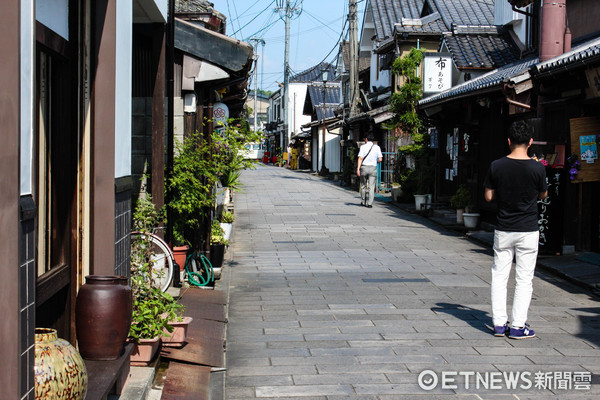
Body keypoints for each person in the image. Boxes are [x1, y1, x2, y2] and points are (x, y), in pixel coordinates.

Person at [484, 120, 548, 339]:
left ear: (509, 141)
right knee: (524, 279)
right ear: (530, 142)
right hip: (528, 229)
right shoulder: (537, 167)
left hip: (504, 227)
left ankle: (500, 324)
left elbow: (489, 196)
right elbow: (543, 195)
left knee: (499, 277)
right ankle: (518, 326)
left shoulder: (496, 165)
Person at [356, 133, 383, 208]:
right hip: (373, 168)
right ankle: (370, 203)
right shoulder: (377, 147)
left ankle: (363, 201)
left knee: (363, 185)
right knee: (371, 186)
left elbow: (360, 158)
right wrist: (375, 162)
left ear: (366, 139)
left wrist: (358, 168)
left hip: (364, 167)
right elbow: (380, 159)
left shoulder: (363, 147)